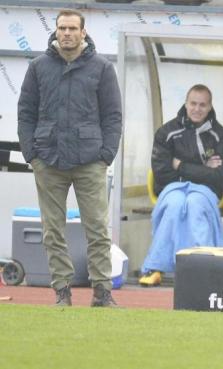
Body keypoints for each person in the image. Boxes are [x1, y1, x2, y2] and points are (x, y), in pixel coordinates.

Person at [17, 10, 121, 307]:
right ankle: (62, 292)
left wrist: (105, 154)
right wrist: (32, 154)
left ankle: (102, 292)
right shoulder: (38, 67)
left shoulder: (102, 68)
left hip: (90, 160)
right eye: (62, 28)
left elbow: (113, 116)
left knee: (98, 230)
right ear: (56, 31)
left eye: (72, 28)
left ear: (83, 32)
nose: (66, 33)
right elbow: (26, 113)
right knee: (52, 231)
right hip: (48, 160)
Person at [138, 85, 223, 287]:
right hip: (172, 187)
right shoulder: (166, 132)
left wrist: (180, 164)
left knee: (196, 204)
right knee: (175, 205)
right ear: (186, 103)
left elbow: (219, 176)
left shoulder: (220, 135)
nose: (197, 109)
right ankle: (155, 267)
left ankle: (205, 267)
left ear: (209, 107)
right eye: (193, 104)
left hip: (206, 190)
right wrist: (202, 168)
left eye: (202, 105)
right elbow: (162, 171)